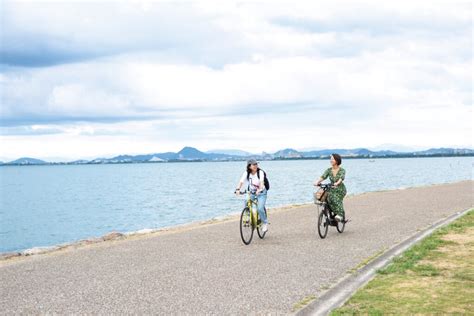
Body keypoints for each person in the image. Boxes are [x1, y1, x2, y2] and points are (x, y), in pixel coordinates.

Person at [235, 159, 268, 232]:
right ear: (249, 166)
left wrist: (260, 189)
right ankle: (247, 218)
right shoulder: (246, 173)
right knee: (246, 202)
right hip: (251, 192)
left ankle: (264, 223)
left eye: (256, 164)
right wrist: (238, 189)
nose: (256, 165)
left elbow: (262, 182)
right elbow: (241, 181)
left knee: (259, 208)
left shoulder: (260, 172)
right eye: (254, 164)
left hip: (261, 192)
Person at [314, 154, 347, 222]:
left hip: (340, 189)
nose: (331, 160)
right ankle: (332, 212)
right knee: (324, 196)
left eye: (333, 159)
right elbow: (323, 177)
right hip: (332, 187)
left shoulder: (342, 170)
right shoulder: (329, 170)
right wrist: (317, 182)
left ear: (337, 160)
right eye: (330, 159)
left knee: (334, 197)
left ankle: (340, 214)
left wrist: (337, 183)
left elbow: (341, 178)